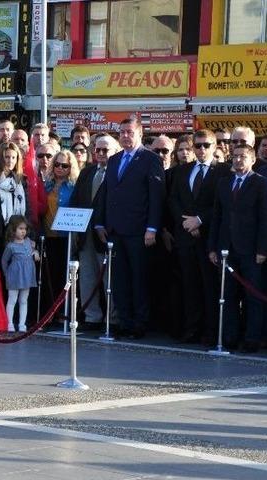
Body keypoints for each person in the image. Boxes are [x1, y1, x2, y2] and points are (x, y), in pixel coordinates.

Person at [94, 118, 165, 340]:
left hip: (139, 231)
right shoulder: (114, 159)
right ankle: (124, 322)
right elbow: (107, 193)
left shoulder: (151, 159)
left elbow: (156, 196)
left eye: (130, 132)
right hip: (115, 230)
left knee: (138, 279)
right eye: (122, 132)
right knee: (120, 280)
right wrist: (100, 223)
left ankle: (139, 324)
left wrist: (152, 227)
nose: (125, 136)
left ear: (140, 134)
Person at [168, 129, 232, 345]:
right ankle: (191, 329)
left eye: (206, 145)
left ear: (215, 147)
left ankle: (211, 331)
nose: (201, 149)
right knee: (189, 285)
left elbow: (223, 204)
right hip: (185, 237)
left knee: (210, 286)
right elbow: (173, 199)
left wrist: (200, 220)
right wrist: (186, 222)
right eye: (198, 145)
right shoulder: (182, 170)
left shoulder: (224, 171)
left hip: (210, 239)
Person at [208, 148, 267, 353]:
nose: (237, 160)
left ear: (252, 160)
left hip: (251, 250)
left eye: (242, 157)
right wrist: (212, 247)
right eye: (234, 156)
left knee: (253, 296)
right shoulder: (224, 183)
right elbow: (217, 217)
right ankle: (230, 337)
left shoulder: (260, 183)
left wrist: (262, 249)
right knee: (227, 295)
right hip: (226, 249)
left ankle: (252, 338)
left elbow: (266, 219)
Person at [70, 134, 119, 331]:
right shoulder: (87, 172)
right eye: (97, 149)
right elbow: (76, 200)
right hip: (86, 233)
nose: (100, 153)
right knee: (87, 276)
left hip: (107, 233)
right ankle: (92, 317)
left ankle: (113, 319)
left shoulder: (118, 172)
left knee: (110, 279)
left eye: (105, 150)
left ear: (115, 151)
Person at [43, 150, 79, 306]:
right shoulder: (46, 184)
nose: (60, 168)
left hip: (67, 237)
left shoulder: (75, 186)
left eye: (64, 165)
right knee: (49, 275)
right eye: (57, 164)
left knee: (64, 275)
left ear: (71, 167)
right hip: (47, 235)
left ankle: (64, 309)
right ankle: (49, 310)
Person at [2, 216, 39, 332]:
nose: (23, 231)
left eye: (25, 229)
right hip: (14, 276)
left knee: (23, 300)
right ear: (13, 230)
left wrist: (35, 252)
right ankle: (9, 324)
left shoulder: (28, 242)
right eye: (20, 228)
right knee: (12, 300)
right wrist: (6, 274)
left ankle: (22, 324)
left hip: (27, 276)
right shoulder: (10, 246)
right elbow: (4, 260)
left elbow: (32, 251)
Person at [0, 142, 29, 227]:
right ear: (0, 158)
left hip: (17, 229)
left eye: (13, 157)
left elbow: (28, 209)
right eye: (7, 157)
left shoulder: (22, 180)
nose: (10, 161)